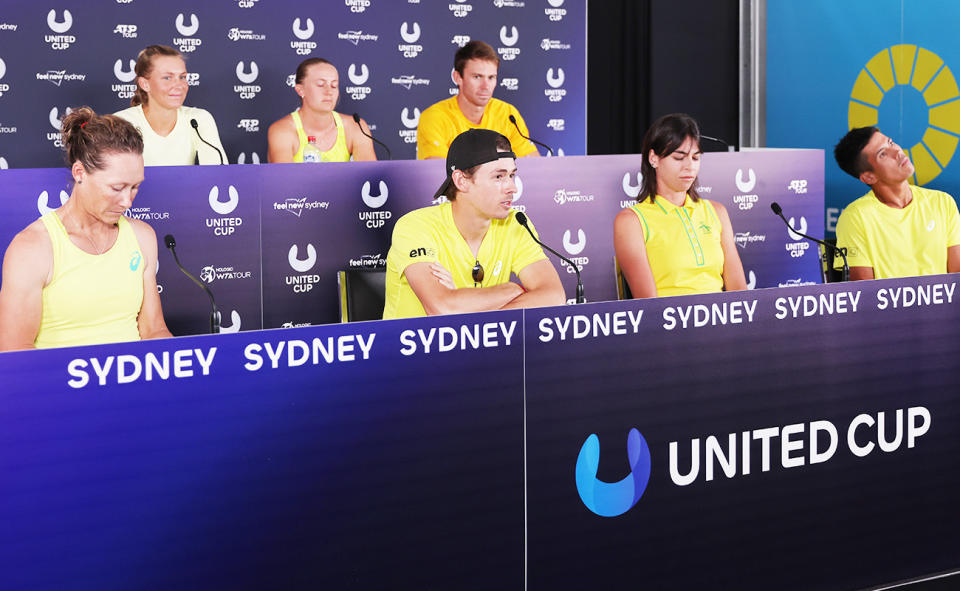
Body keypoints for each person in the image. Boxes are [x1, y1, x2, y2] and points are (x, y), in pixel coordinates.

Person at [0, 107, 172, 350]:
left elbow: (154, 330)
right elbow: (15, 351)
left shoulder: (142, 236)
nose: (127, 201)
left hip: (132, 383)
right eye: (116, 188)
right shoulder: (32, 248)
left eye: (135, 187)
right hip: (61, 386)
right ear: (80, 173)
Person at [383, 129, 565, 319]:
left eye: (512, 175)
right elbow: (442, 307)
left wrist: (474, 314)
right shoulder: (415, 226)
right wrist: (512, 290)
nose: (513, 188)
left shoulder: (516, 223)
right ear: (462, 181)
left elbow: (553, 296)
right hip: (412, 347)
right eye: (498, 177)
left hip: (479, 348)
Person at [614, 113, 746, 298]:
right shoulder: (631, 220)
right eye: (679, 158)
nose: (689, 166)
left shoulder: (717, 212)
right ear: (654, 158)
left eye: (695, 158)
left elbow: (740, 293)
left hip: (720, 321)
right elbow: (647, 305)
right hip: (667, 322)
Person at [833, 126, 960, 279]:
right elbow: (863, 295)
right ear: (868, 177)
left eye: (891, 142)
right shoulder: (855, 217)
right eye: (883, 154)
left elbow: (957, 278)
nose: (898, 152)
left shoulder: (943, 202)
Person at [416, 41, 539, 160]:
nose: (485, 86)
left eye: (491, 77)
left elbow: (533, 166)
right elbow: (438, 173)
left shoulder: (507, 113)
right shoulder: (435, 117)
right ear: (457, 77)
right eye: (477, 77)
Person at [114, 45, 227, 166]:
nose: (179, 85)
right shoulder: (120, 123)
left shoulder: (198, 119)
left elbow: (217, 174)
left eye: (182, 77)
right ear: (145, 84)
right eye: (167, 77)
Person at [267, 58, 376, 163]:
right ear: (300, 90)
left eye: (334, 85)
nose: (329, 91)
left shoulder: (356, 126)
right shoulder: (282, 131)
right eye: (320, 84)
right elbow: (284, 179)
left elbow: (369, 176)